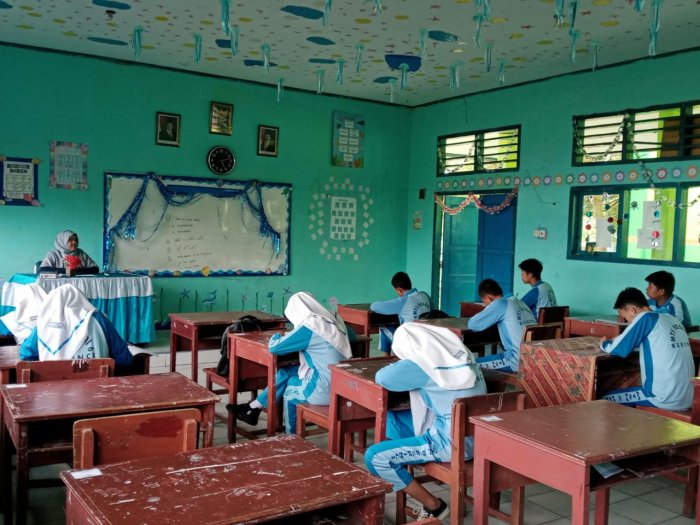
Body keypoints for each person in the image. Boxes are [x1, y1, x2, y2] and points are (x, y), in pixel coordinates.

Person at [365, 323, 486, 520]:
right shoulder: (464, 357)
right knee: (394, 418)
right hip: (479, 437)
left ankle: (434, 506)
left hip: (450, 444)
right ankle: (405, 462)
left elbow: (383, 377)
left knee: (375, 457)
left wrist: (404, 361)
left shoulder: (422, 364)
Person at [228, 291, 351, 433]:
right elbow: (350, 337)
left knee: (289, 389)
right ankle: (254, 407)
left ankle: (291, 437)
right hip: (342, 386)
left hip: (323, 389)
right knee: (285, 372)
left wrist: (276, 334)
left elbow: (275, 347)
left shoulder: (311, 326)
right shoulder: (334, 320)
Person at [600, 287, 693, 410]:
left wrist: (604, 343)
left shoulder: (646, 317)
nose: (627, 323)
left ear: (632, 310)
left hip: (663, 397)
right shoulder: (671, 319)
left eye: (626, 318)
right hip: (689, 397)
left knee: (602, 398)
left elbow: (619, 348)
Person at [19, 284, 134, 372]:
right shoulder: (99, 319)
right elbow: (125, 360)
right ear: (81, 299)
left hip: (53, 392)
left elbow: (26, 354)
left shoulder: (44, 324)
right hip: (97, 390)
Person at [467, 278, 536, 372]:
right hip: (532, 358)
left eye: (485, 302)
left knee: (469, 366)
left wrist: (488, 309)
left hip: (515, 360)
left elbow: (472, 324)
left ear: (488, 298)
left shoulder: (500, 304)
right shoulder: (521, 303)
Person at [370, 272, 431, 353]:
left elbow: (374, 306)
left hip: (410, 343)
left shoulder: (403, 301)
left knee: (383, 326)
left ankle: (386, 356)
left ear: (399, 290)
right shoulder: (425, 295)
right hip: (425, 338)